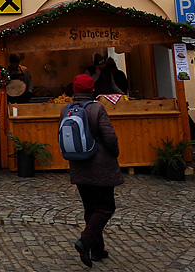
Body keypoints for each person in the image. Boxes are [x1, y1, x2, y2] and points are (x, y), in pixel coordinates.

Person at [62, 73, 122, 267]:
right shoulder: (97, 109)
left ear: (74, 89)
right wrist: (115, 153)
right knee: (106, 207)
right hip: (101, 164)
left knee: (90, 208)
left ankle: (97, 250)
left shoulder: (66, 110)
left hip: (78, 164)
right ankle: (85, 240)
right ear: (92, 90)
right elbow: (110, 138)